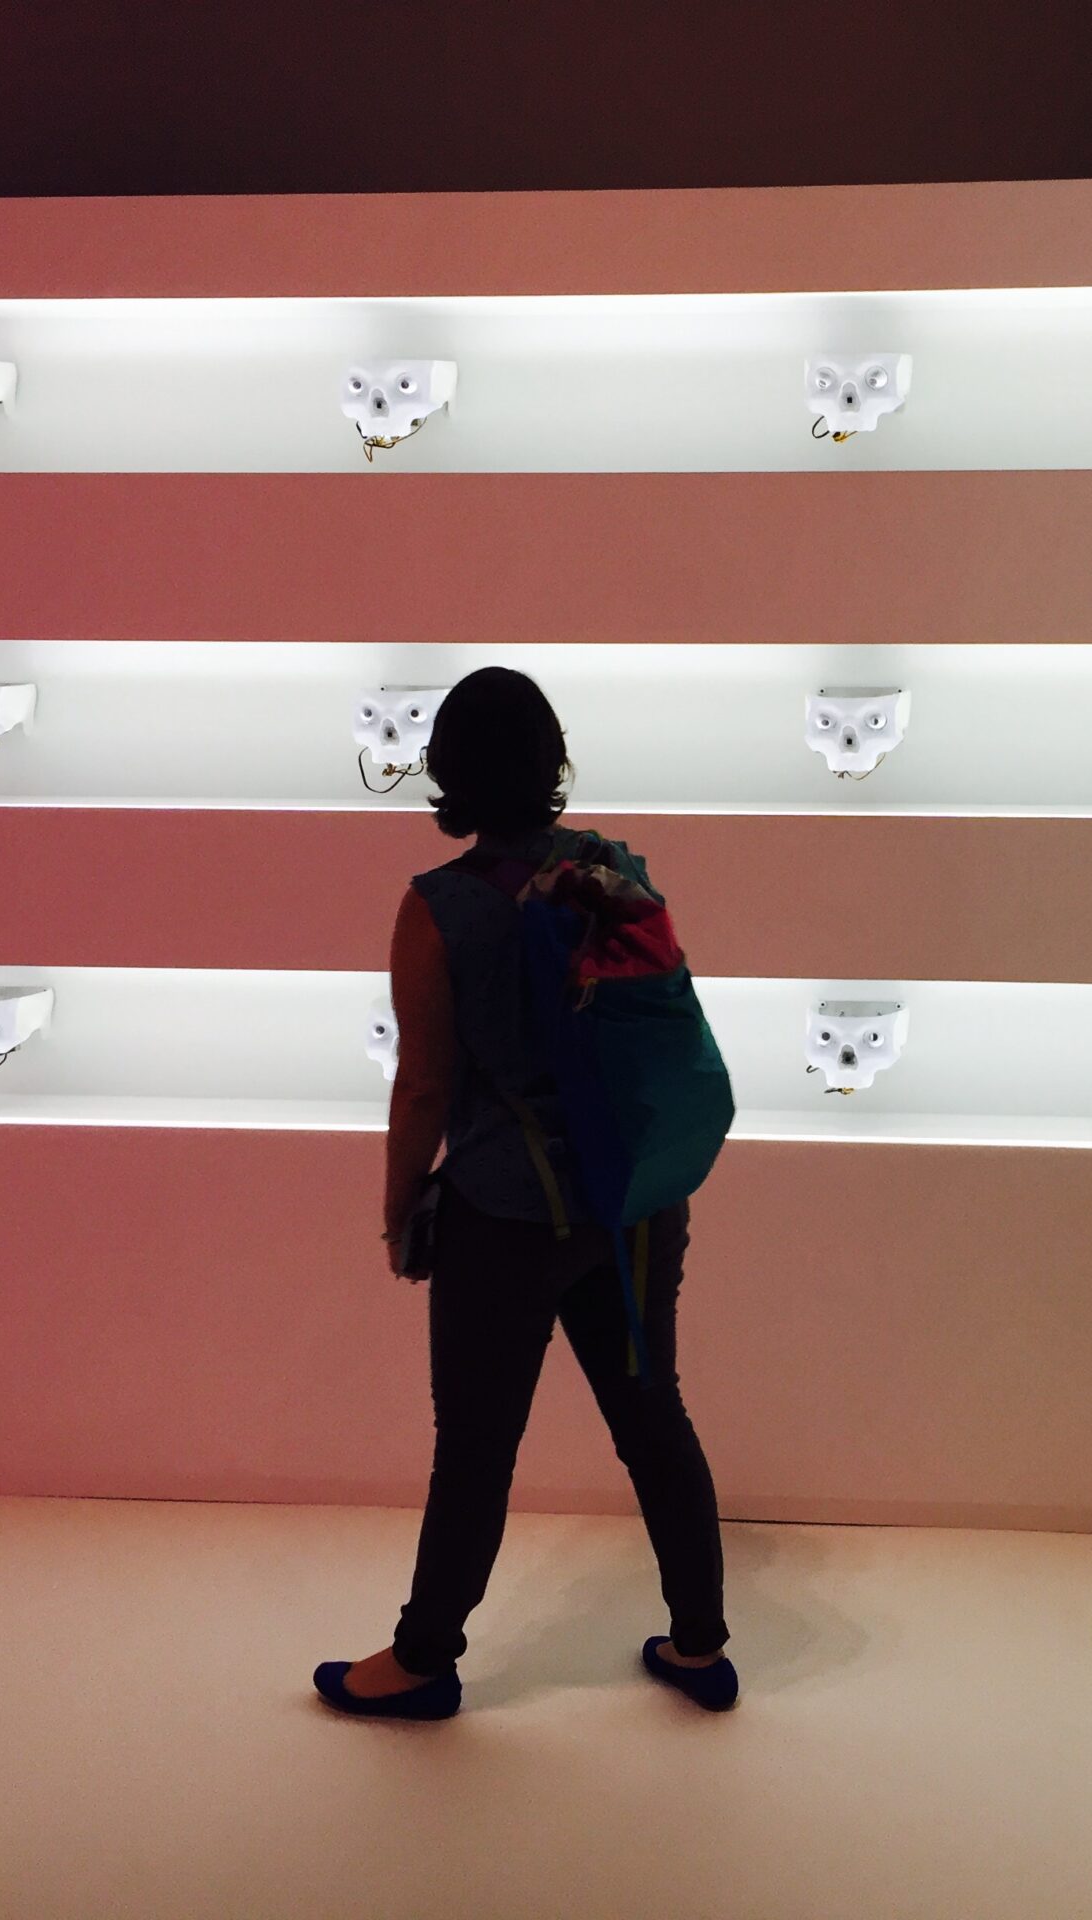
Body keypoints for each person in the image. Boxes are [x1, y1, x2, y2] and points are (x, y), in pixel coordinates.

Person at [314, 667, 736, 1720]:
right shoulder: (612, 871)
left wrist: (400, 1207)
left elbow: (422, 1088)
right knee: (653, 1419)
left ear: (445, 774)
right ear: (552, 764)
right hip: (635, 1203)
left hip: (503, 1218)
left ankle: (422, 1661)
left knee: (476, 1449)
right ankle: (698, 1647)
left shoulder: (440, 908)